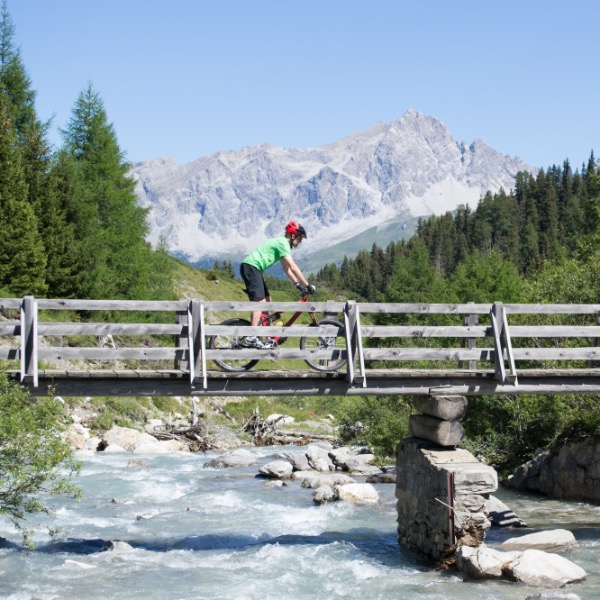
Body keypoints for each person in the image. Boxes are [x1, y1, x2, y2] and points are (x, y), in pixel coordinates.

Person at [239, 221, 316, 348]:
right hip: (251, 267)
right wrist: (307, 284)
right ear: (292, 235)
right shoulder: (283, 243)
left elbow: (287, 270)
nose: (301, 241)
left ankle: (268, 337)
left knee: (268, 301)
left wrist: (298, 284)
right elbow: (293, 266)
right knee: (260, 302)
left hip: (254, 268)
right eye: (300, 237)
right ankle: (251, 336)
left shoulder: (282, 245)